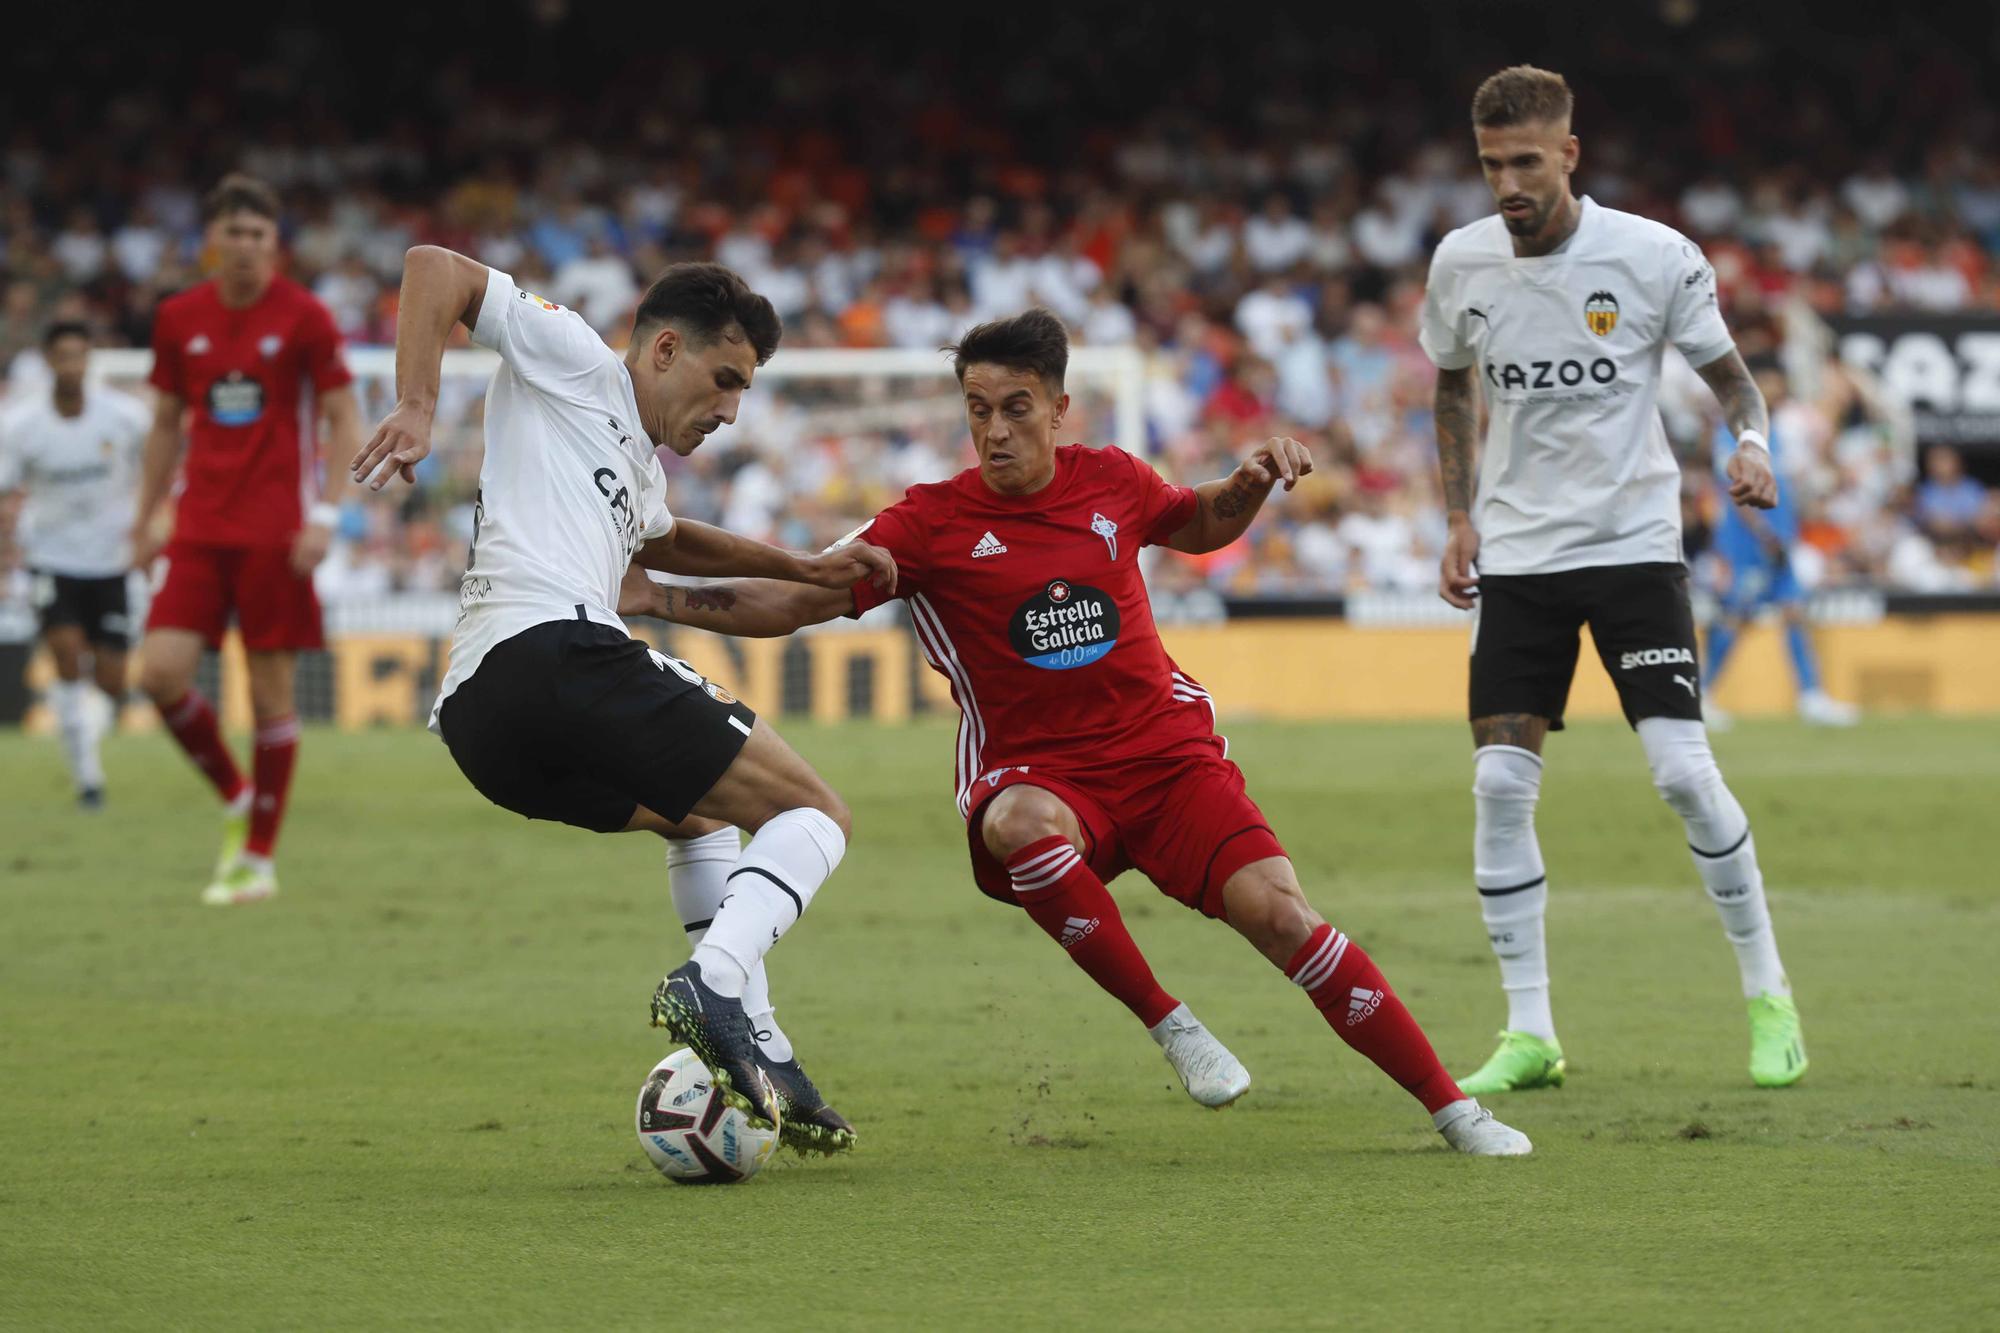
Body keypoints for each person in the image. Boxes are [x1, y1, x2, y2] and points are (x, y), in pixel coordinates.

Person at [622, 308, 1534, 1156]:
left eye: (1017, 408)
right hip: (1040, 773)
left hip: (1169, 759)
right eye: (977, 410)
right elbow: (798, 595)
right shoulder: (929, 522)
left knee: (1284, 915)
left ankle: (1456, 1110)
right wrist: (659, 597)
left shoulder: (1114, 479)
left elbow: (1199, 521)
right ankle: (1172, 1024)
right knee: (1017, 822)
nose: (996, 430)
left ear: (1060, 408)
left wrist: (1247, 486)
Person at [352, 246, 897, 1154]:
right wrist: (416, 403)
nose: (730, 409)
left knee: (698, 820)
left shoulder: (635, 478)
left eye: (745, 392)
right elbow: (430, 268)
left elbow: (679, 554)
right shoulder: (573, 358)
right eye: (725, 380)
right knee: (816, 812)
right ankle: (712, 984)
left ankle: (766, 1054)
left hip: (485, 724)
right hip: (553, 649)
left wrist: (804, 570)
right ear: (665, 350)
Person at [1421, 66, 1807, 1093]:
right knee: (1498, 783)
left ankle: (1768, 995)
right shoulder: (1460, 263)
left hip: (1633, 546)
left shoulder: (1648, 256)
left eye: (1525, 161)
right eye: (1491, 162)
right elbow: (1451, 387)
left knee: (1682, 771)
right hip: (1519, 558)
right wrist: (1458, 516)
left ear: (1567, 156)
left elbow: (1727, 374)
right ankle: (1530, 1031)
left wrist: (1752, 443)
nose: (1506, 180)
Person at [131, 175, 364, 905]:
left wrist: (325, 517)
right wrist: (144, 519)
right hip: (198, 526)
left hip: (275, 533)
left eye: (258, 235)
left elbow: (343, 419)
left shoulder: (305, 317)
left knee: (270, 699)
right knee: (159, 675)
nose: (244, 247)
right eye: (232, 233)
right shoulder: (178, 317)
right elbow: (166, 424)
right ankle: (238, 796)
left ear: (276, 245)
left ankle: (257, 857)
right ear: (212, 241)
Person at [0, 322, 149, 806]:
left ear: (91, 361)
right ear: (48, 361)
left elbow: (160, 469)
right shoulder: (20, 426)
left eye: (80, 356)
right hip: (51, 559)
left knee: (110, 679)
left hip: (112, 561)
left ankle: (89, 736)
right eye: (63, 356)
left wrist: (151, 528)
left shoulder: (125, 417)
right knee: (66, 656)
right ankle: (88, 777)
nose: (72, 366)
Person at [1702, 362, 1858, 728]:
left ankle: (1811, 696)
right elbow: (1735, 492)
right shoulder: (1733, 433)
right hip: (1748, 546)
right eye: (1769, 382)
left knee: (1794, 613)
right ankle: (1704, 694)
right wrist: (1765, 535)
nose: (1776, 389)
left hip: (1781, 543)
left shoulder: (1780, 434)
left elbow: (1797, 478)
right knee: (1735, 618)